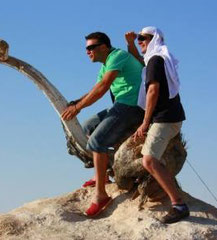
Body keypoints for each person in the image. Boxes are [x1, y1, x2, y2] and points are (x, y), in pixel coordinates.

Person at [61, 32, 144, 217]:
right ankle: (102, 174)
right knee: (85, 128)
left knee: (96, 142)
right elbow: (95, 87)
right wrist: (76, 102)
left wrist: (78, 107)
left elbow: (104, 86)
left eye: (91, 47)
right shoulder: (106, 63)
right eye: (86, 49)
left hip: (131, 107)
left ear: (104, 47)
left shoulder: (118, 56)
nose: (88, 52)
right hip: (120, 104)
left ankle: (101, 195)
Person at [125, 26, 189, 224]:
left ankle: (178, 205)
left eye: (143, 38)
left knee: (149, 160)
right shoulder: (156, 58)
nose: (140, 41)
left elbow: (152, 90)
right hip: (172, 116)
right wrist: (130, 44)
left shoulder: (155, 60)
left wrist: (145, 122)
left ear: (154, 39)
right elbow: (140, 61)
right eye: (139, 39)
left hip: (164, 118)